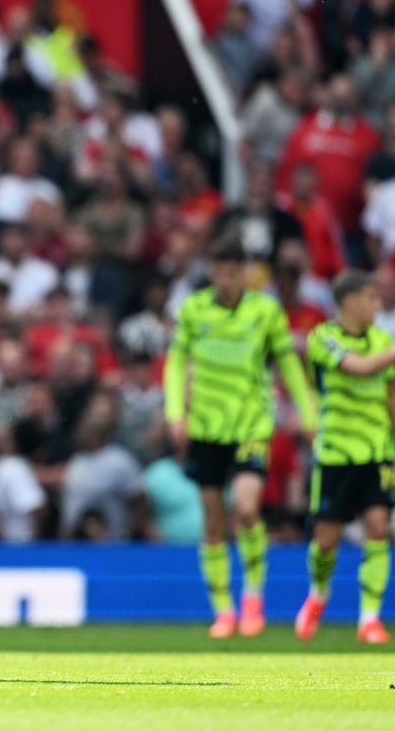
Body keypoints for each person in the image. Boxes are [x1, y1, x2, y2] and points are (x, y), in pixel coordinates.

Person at [164, 236, 316, 639]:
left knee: (247, 510)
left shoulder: (265, 311)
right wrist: (175, 412)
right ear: (213, 272)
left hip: (251, 425)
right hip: (206, 428)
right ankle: (223, 610)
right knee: (213, 521)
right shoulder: (195, 310)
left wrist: (308, 413)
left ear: (246, 274)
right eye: (221, 272)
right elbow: (177, 362)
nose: (227, 280)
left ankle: (252, 597)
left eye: (235, 272)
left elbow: (288, 363)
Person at [296, 270, 395, 645]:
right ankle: (318, 593)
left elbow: (391, 394)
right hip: (336, 452)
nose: (377, 305)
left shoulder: (381, 339)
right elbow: (360, 368)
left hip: (377, 452)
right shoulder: (323, 338)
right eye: (371, 298)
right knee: (326, 539)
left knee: (378, 528)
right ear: (351, 301)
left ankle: (370, 618)